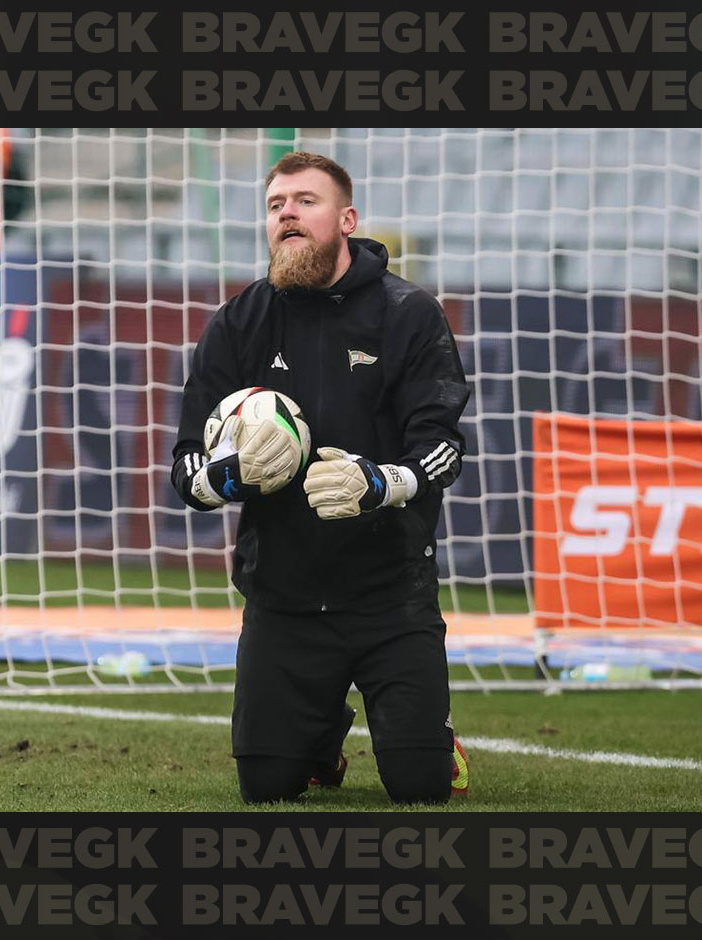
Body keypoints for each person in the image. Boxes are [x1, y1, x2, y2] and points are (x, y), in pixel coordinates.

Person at [170, 151, 473, 804]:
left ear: (347, 219)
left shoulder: (408, 314)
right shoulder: (238, 322)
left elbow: (444, 449)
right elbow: (186, 464)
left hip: (389, 593)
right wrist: (223, 478)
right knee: (267, 788)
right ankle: (320, 733)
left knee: (419, 789)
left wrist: (379, 484)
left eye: (306, 201)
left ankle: (432, 739)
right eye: (277, 205)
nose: (288, 215)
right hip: (284, 596)